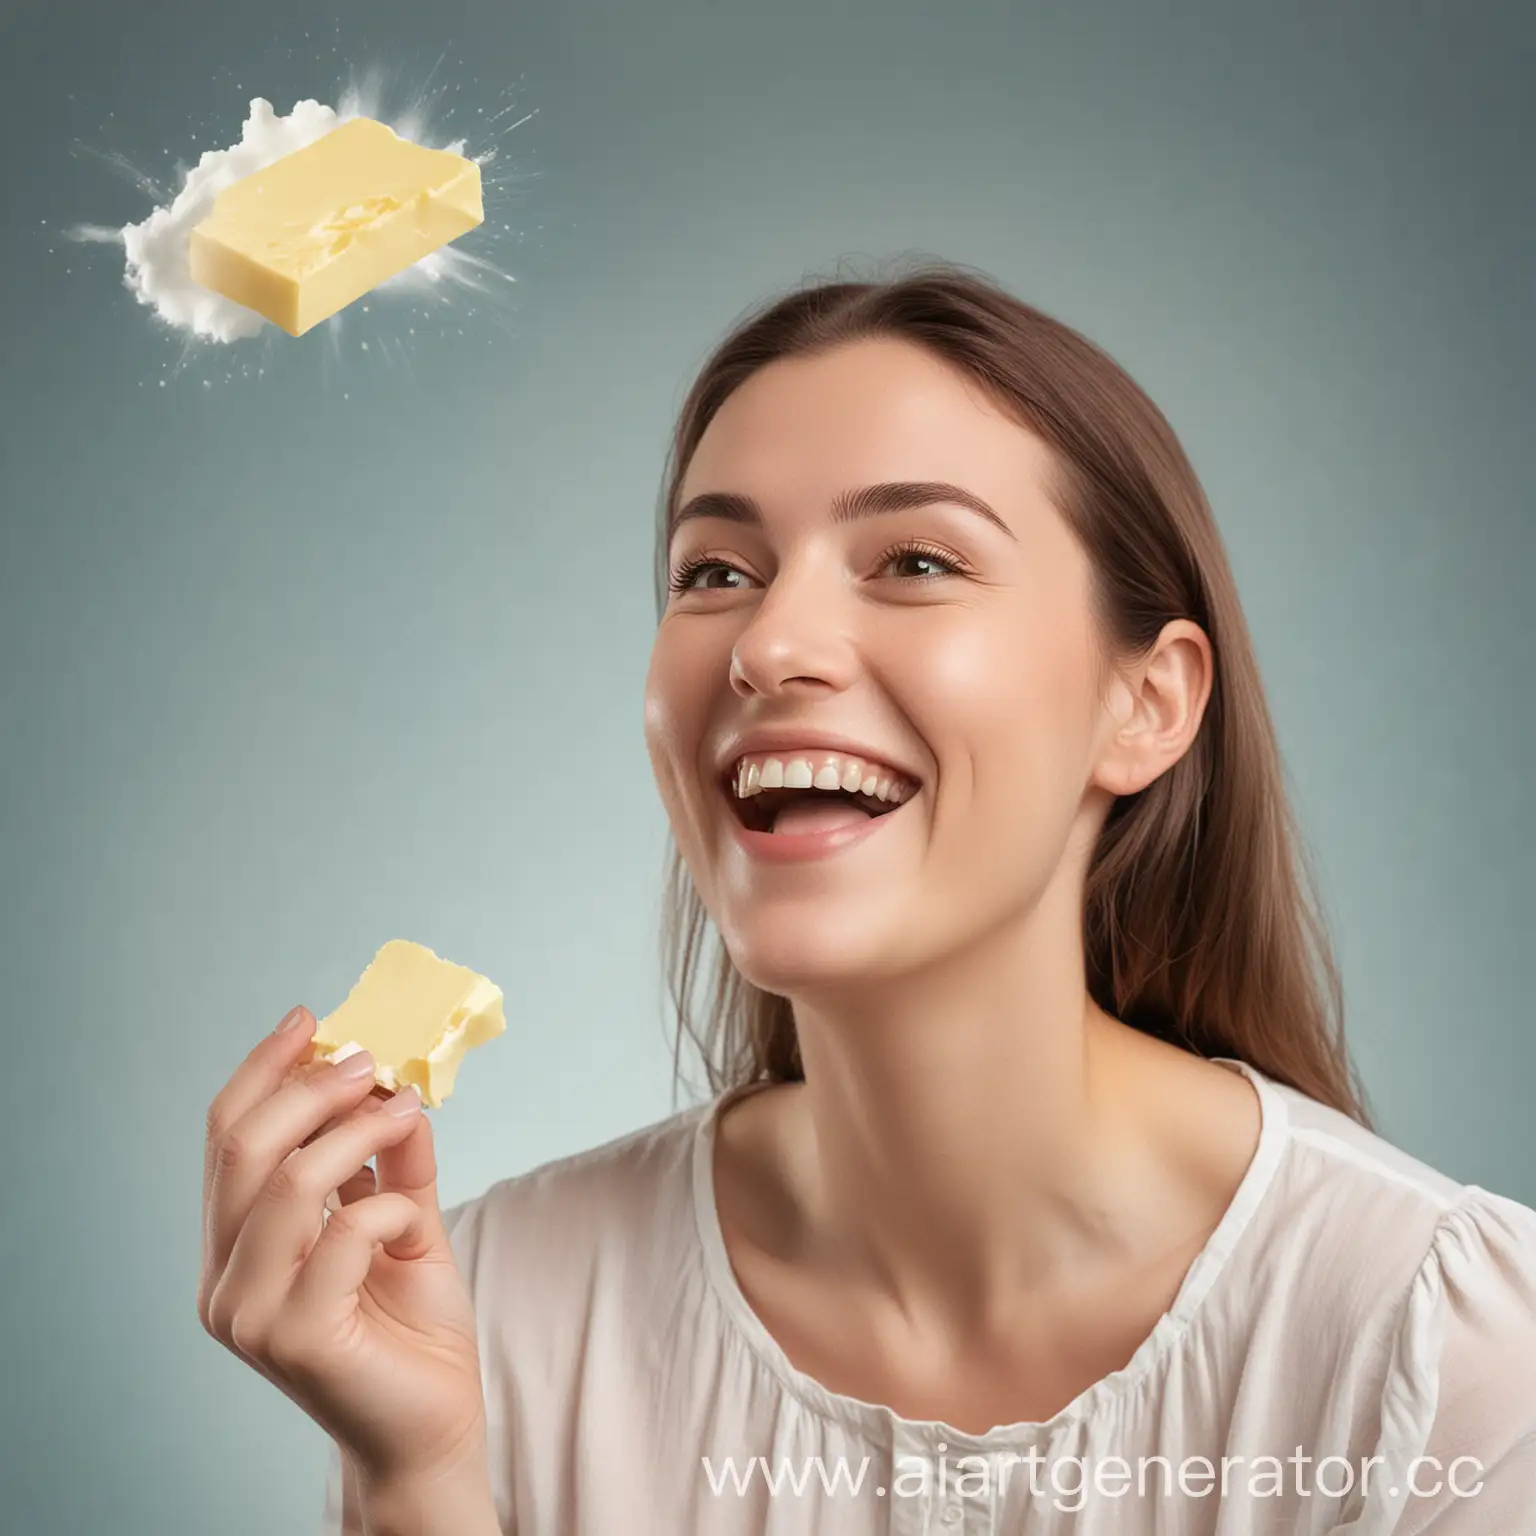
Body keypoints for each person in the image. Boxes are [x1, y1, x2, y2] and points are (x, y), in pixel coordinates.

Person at [199, 261, 1536, 1535]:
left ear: (1148, 704)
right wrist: (422, 1479)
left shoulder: (1442, 1344)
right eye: (716, 574)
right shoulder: (491, 1314)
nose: (769, 644)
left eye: (916, 561)